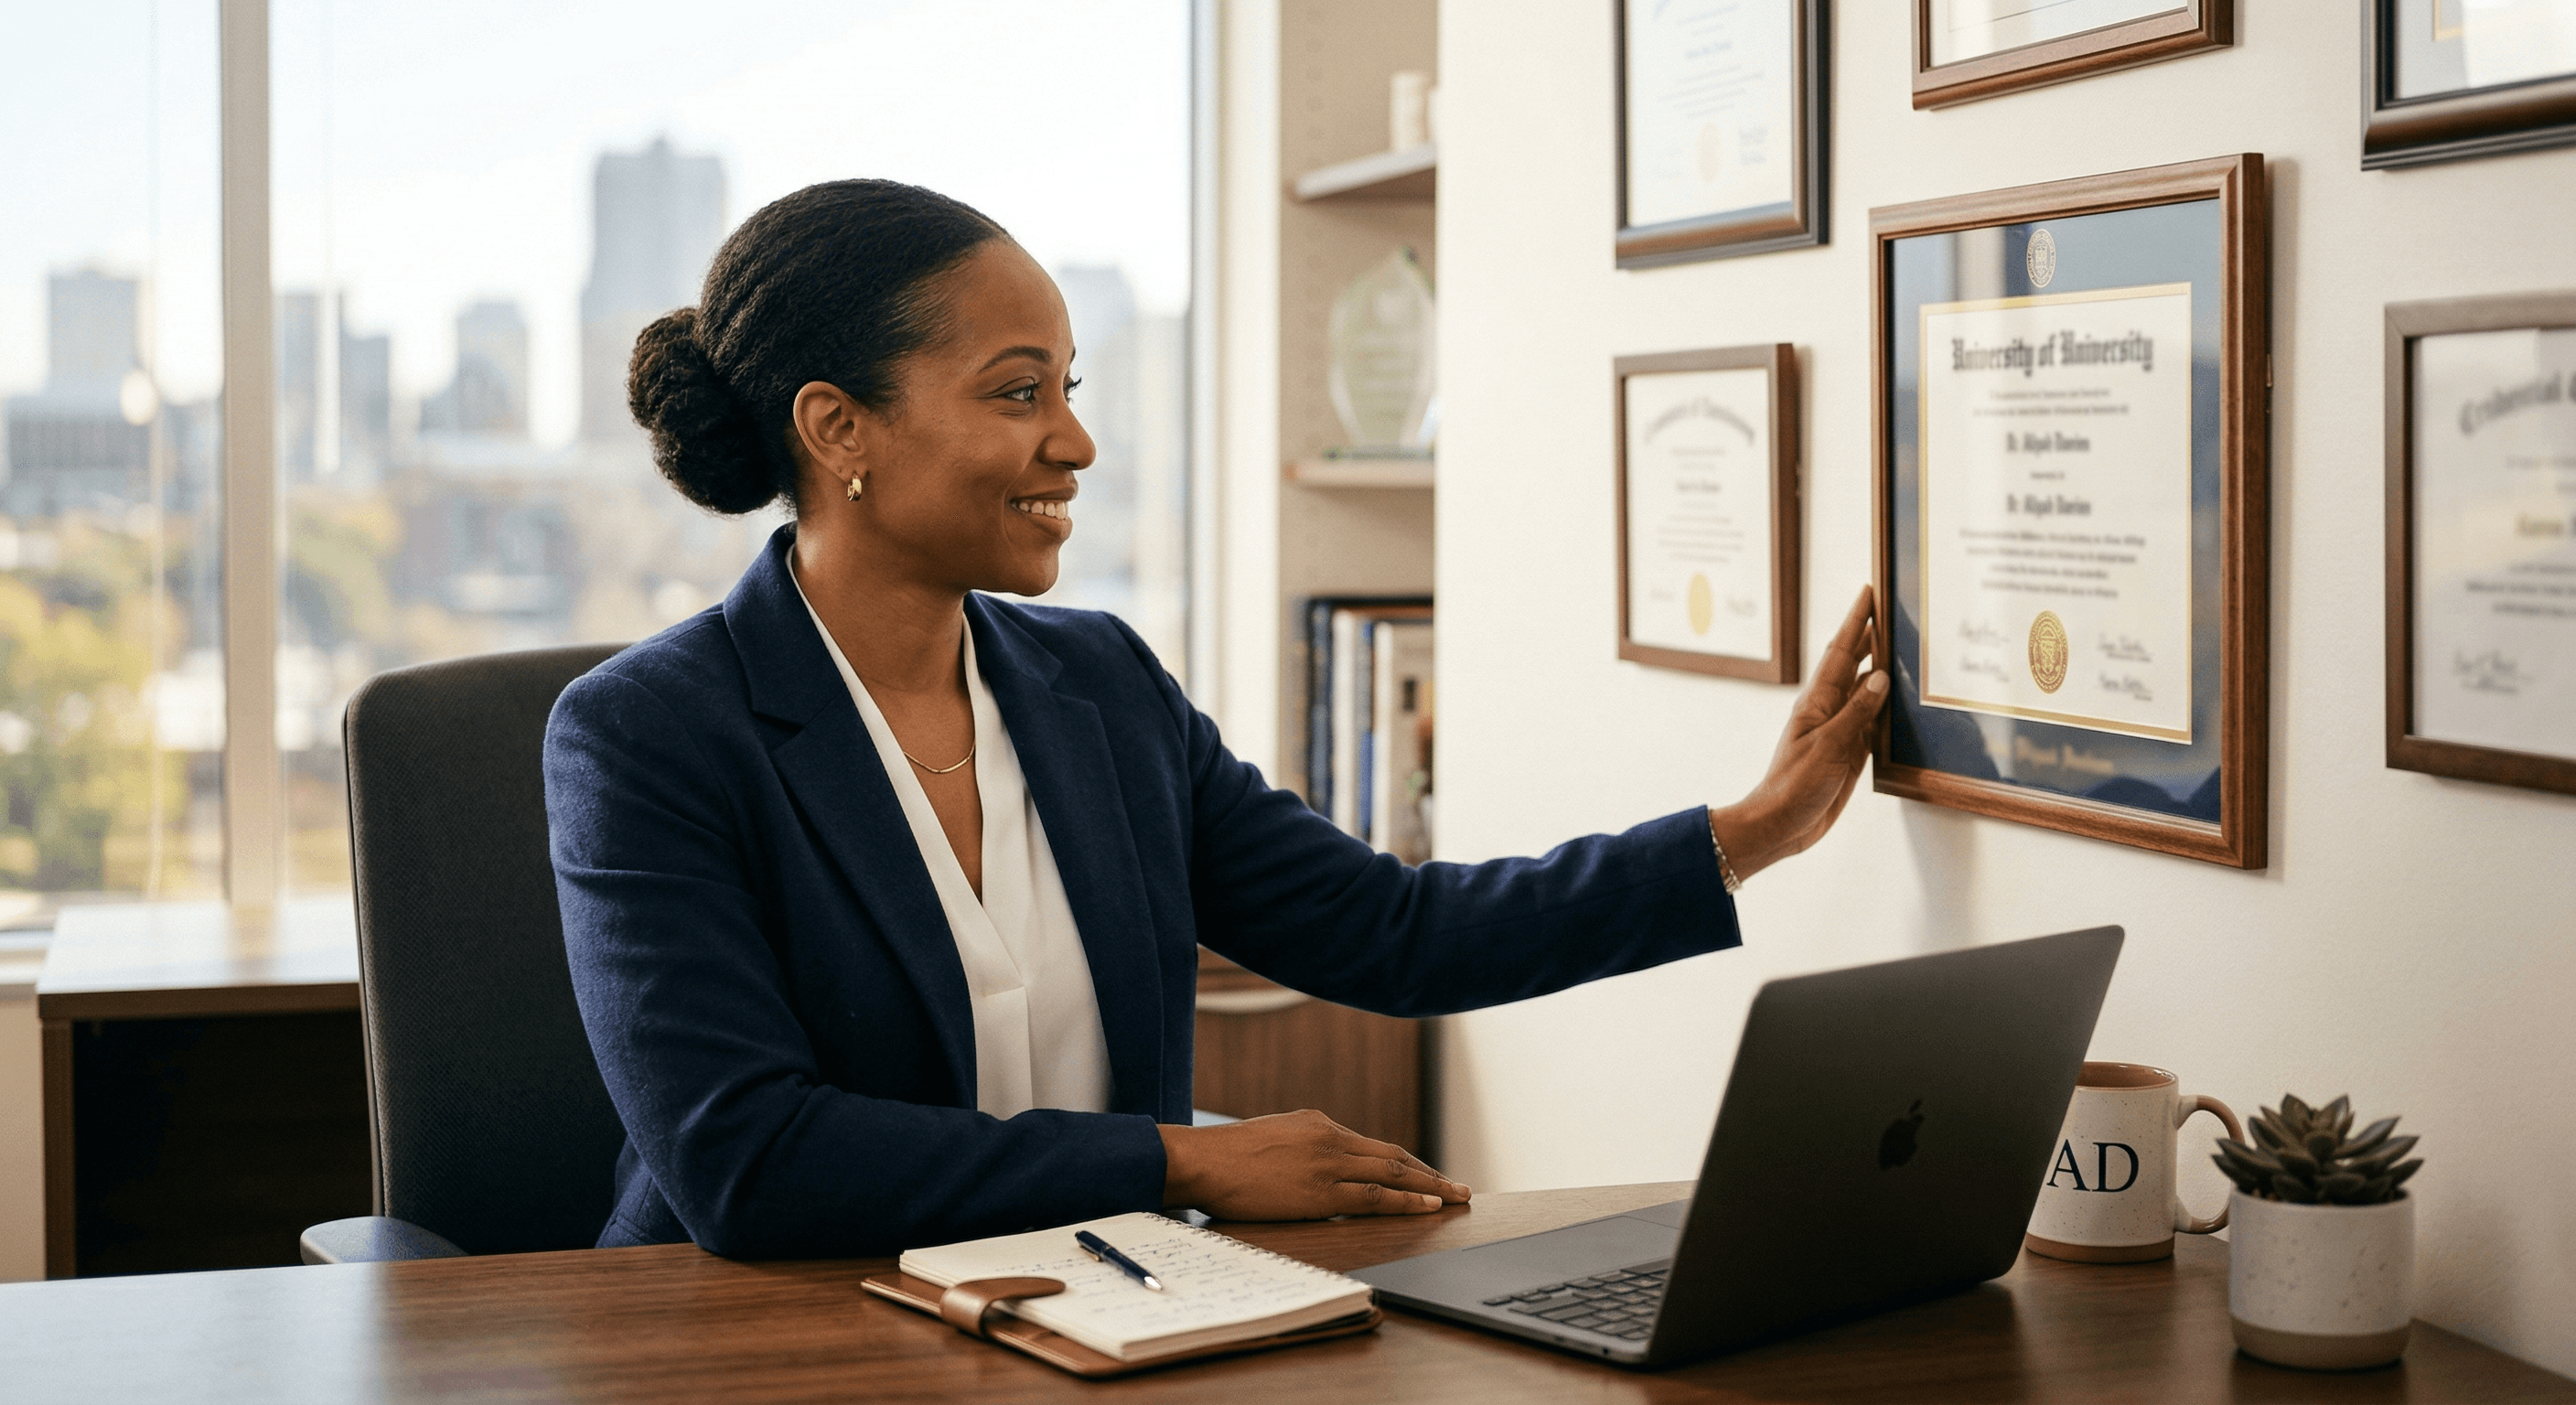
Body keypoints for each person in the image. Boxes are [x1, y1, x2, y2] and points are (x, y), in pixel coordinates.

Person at [543, 179, 1888, 1260]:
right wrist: (1181, 1158)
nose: (1073, 441)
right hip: (757, 1343)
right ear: (841, 429)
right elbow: (750, 1163)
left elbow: (1390, 933)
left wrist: (1749, 834)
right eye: (1020, 393)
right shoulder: (646, 736)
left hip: (1109, 1315)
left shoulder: (1102, 688)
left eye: (1071, 389)